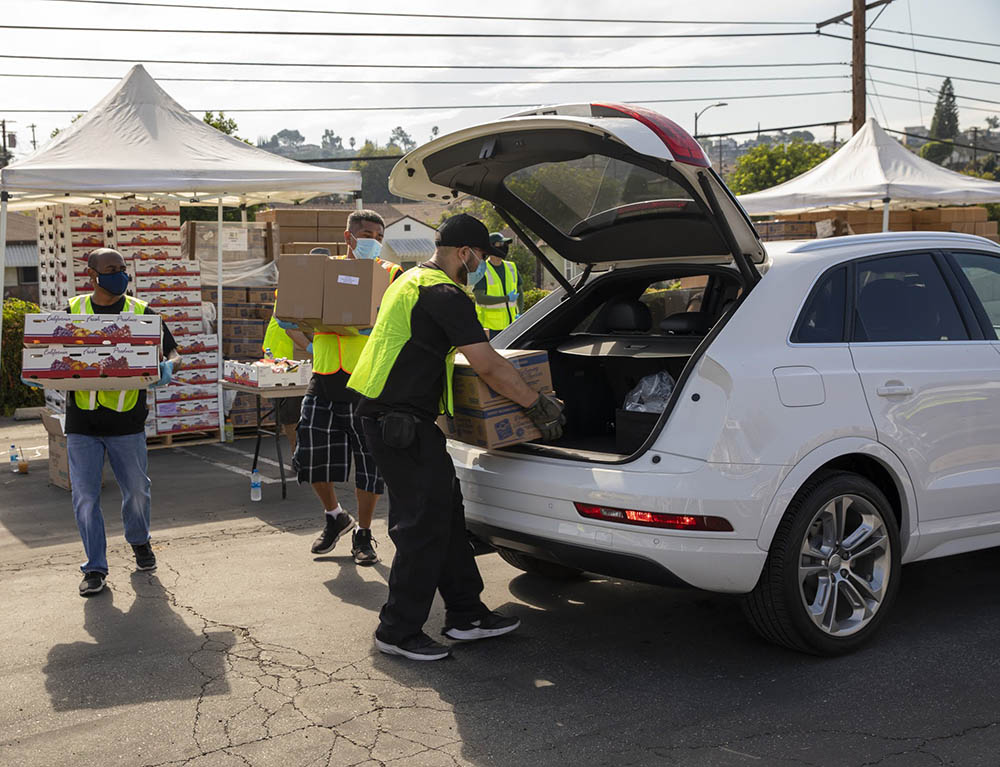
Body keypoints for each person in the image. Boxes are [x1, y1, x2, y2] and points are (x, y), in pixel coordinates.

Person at [347, 213, 565, 661]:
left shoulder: (411, 280)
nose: (482, 265)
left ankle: (466, 615)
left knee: (446, 515)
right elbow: (488, 364)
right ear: (464, 252)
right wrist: (535, 403)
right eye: (481, 257)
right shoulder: (444, 292)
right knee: (421, 524)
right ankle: (397, 631)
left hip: (403, 416)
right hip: (397, 419)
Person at [284, 211, 403, 566]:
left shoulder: (390, 273)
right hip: (323, 376)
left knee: (369, 463)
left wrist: (368, 329)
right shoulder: (323, 270)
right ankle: (335, 515)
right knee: (312, 457)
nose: (373, 240)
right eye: (366, 233)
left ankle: (363, 533)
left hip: (366, 382)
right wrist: (307, 333)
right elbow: (288, 312)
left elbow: (397, 321)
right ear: (349, 237)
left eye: (378, 235)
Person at [64, 248, 178, 597]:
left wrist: (168, 367)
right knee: (85, 498)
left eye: (123, 269)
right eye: (112, 269)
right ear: (92, 275)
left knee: (137, 493)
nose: (121, 275)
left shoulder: (141, 312)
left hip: (127, 421)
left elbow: (172, 349)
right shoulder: (73, 310)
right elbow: (49, 347)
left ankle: (139, 541)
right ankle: (95, 567)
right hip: (82, 422)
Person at [261, 287, 312, 455]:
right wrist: (311, 348)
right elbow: (290, 328)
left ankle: (301, 453)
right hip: (283, 358)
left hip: (301, 358)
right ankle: (296, 453)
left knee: (302, 409)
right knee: (291, 410)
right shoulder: (293, 290)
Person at [473, 232, 523, 339]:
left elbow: (520, 292)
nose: (504, 248)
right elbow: (480, 298)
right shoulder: (482, 270)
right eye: (500, 245)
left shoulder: (511, 267)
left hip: (511, 326)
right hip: (490, 329)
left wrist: (521, 313)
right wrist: (506, 298)